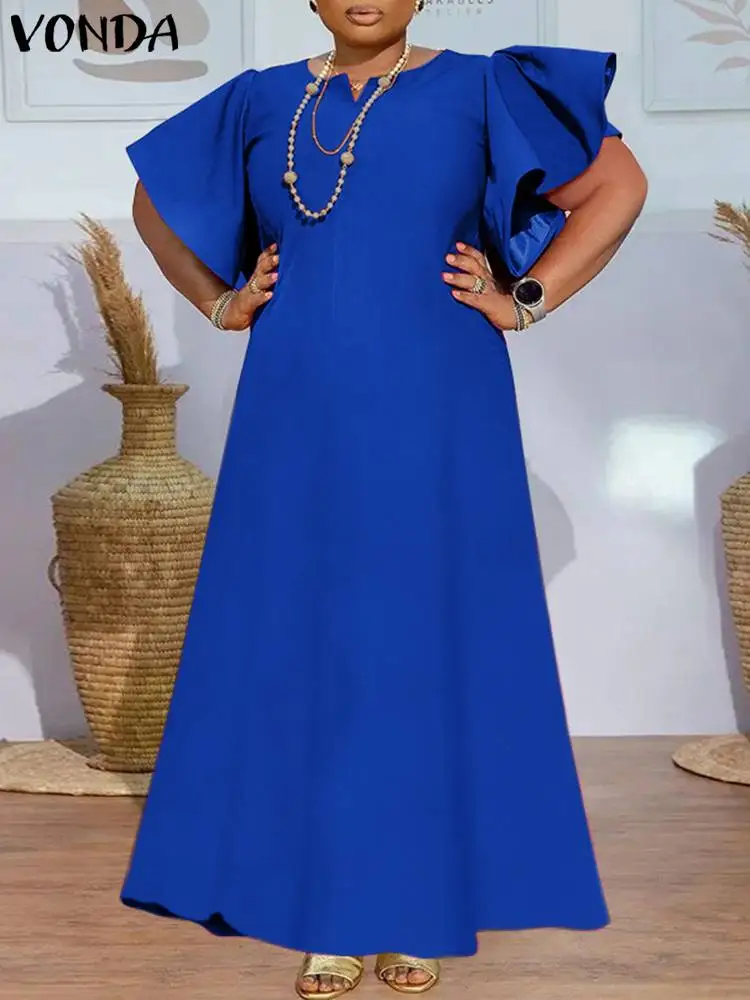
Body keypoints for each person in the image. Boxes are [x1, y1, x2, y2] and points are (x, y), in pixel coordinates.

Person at [119, 0, 648, 996]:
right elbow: (154, 199)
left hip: (437, 409)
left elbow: (617, 186)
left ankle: (405, 908)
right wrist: (219, 299)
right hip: (295, 414)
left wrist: (525, 299)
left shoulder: (486, 86)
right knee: (308, 649)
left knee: (410, 651)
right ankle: (329, 910)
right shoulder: (261, 99)